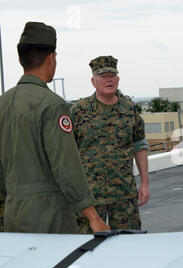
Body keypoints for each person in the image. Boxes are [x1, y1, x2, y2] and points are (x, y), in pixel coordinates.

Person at [0, 22, 109, 233]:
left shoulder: (3, 103)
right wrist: (93, 218)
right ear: (51, 58)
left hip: (13, 213)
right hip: (49, 216)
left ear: (21, 59)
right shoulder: (52, 105)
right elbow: (66, 167)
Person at [70, 55, 150, 233]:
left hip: (124, 196)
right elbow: (68, 153)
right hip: (90, 199)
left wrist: (145, 183)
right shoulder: (78, 111)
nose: (109, 80)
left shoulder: (130, 110)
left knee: (128, 246)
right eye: (103, 76)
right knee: (87, 248)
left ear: (118, 79)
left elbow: (140, 146)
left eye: (112, 76)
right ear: (93, 81)